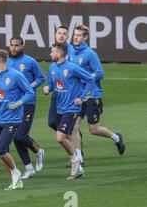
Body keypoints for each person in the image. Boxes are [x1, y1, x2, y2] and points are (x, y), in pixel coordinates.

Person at [69, 25, 125, 157]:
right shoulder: (70, 52)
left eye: (79, 35)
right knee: (73, 127)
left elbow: (100, 73)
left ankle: (116, 137)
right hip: (78, 96)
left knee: (93, 130)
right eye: (75, 35)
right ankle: (78, 158)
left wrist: (87, 78)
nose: (76, 37)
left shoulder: (90, 54)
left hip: (92, 95)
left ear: (85, 37)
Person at [0, 49, 34, 190]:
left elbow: (30, 92)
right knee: (2, 153)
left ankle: (16, 172)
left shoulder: (16, 75)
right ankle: (15, 180)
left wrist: (19, 103)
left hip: (12, 119)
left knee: (0, 150)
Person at [43, 43, 94, 179]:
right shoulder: (52, 68)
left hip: (72, 108)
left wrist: (82, 98)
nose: (50, 54)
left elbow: (90, 80)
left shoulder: (72, 68)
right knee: (65, 136)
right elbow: (52, 84)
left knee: (60, 137)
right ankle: (79, 169)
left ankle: (75, 160)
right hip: (60, 108)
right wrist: (48, 89)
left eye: (52, 51)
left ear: (59, 54)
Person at [7, 37, 46, 179]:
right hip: (13, 105)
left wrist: (30, 87)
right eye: (11, 45)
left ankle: (38, 151)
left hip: (28, 103)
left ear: (22, 46)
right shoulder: (7, 61)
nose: (13, 48)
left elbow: (41, 78)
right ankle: (29, 168)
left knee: (20, 135)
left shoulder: (30, 61)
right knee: (16, 138)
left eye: (16, 45)